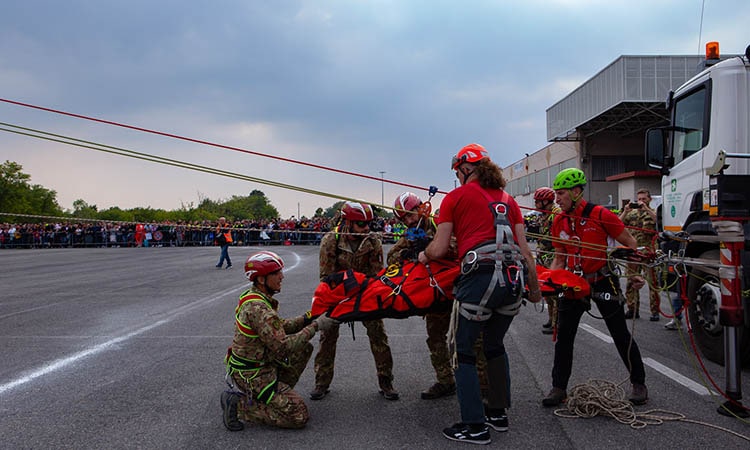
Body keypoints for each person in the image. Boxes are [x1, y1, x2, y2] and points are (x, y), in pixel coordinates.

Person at [418, 143, 541, 445]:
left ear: (464, 168)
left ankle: (474, 426)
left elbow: (440, 248)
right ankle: (497, 413)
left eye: (457, 171)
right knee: (495, 345)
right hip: (513, 283)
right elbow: (525, 252)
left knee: (463, 350)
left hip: (480, 280)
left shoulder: (454, 198)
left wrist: (423, 256)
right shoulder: (509, 200)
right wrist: (535, 290)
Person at [542, 168, 649, 408]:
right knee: (564, 336)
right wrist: (548, 281)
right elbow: (559, 258)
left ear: (577, 192)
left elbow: (631, 245)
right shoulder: (559, 221)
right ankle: (558, 387)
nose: (557, 199)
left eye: (561, 194)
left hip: (602, 279)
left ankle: (638, 383)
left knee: (620, 334)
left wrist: (635, 277)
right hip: (573, 283)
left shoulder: (600, 215)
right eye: (556, 195)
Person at [221, 251, 338, 430]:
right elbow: (283, 347)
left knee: (303, 348)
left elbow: (280, 326)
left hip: (260, 364)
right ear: (261, 279)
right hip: (254, 374)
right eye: (276, 273)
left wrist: (309, 317)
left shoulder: (254, 297)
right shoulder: (259, 309)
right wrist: (317, 326)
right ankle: (239, 405)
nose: (282, 277)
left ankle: (276, 395)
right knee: (298, 416)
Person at [310, 201, 399, 401]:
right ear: (347, 222)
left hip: (366, 293)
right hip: (337, 295)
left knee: (379, 336)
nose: (366, 228)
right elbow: (326, 278)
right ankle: (321, 382)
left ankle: (386, 381)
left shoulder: (373, 240)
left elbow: (377, 274)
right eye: (361, 224)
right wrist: (347, 285)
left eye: (368, 223)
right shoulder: (330, 241)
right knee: (327, 337)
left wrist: (361, 288)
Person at [389, 192, 463, 400]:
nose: (409, 221)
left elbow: (458, 247)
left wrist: (431, 247)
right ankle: (445, 381)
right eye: (404, 219)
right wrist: (408, 254)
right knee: (435, 339)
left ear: (421, 208)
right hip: (434, 296)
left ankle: (482, 388)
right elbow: (391, 258)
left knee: (467, 340)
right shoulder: (410, 235)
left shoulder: (443, 223)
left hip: (457, 291)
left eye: (410, 215)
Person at [619, 188, 659, 321]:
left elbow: (658, 221)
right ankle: (632, 309)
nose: (641, 202)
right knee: (631, 281)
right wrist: (625, 211)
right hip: (634, 252)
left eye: (644, 199)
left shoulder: (654, 212)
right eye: (639, 199)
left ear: (649, 199)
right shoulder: (632, 214)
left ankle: (655, 311)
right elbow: (618, 224)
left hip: (649, 252)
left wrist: (646, 209)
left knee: (653, 283)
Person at [533, 187, 561, 335]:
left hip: (553, 257)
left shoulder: (556, 215)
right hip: (544, 256)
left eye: (538, 201)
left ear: (546, 201)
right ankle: (551, 319)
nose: (536, 204)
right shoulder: (543, 215)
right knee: (547, 292)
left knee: (554, 291)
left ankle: (556, 323)